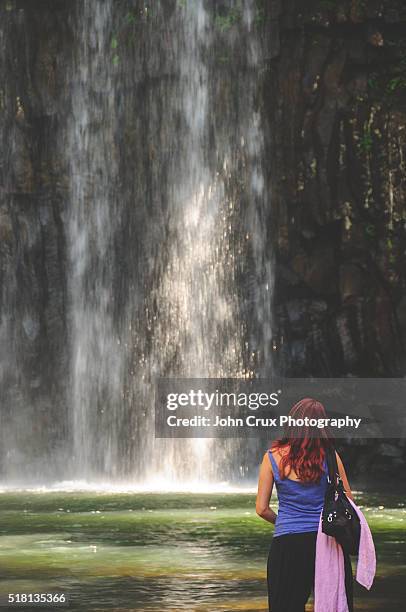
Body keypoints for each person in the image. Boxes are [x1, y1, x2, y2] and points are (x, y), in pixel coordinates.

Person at [256, 398, 354, 612]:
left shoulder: (272, 457)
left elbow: (261, 508)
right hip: (327, 542)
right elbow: (349, 501)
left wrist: (285, 522)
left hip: (287, 543)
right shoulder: (331, 457)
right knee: (334, 604)